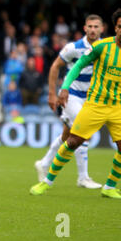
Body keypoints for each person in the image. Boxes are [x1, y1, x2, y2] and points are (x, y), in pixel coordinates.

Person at [30, 7, 121, 199]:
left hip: (118, 105)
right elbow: (78, 65)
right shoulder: (101, 46)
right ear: (114, 28)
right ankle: (46, 182)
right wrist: (64, 87)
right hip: (94, 103)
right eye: (120, 26)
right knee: (73, 140)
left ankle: (109, 186)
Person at [34, 14, 104, 189]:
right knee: (83, 131)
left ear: (102, 29)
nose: (93, 29)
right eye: (90, 26)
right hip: (71, 94)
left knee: (67, 136)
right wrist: (52, 94)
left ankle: (43, 163)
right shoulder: (74, 47)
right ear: (84, 28)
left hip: (90, 97)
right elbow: (55, 66)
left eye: (96, 26)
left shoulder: (106, 48)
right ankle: (83, 178)